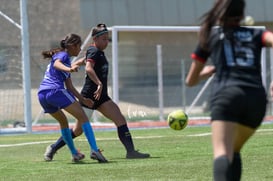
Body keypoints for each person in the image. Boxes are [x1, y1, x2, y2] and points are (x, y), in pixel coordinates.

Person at [185, 0, 273, 180]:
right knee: (234, 149)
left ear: (219, 13)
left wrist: (206, 72)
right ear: (242, 15)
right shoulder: (257, 34)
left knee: (222, 152)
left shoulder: (211, 36)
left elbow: (190, 81)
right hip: (256, 99)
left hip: (227, 96)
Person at [44, 24, 150, 161]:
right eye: (104, 39)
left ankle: (131, 152)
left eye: (108, 39)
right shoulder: (94, 51)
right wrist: (98, 83)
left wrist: (77, 63)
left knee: (120, 119)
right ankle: (53, 147)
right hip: (90, 96)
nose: (106, 42)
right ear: (95, 39)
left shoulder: (96, 51)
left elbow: (86, 60)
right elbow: (89, 68)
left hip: (102, 97)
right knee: (78, 130)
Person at [38, 33, 108, 163]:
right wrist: (69, 69)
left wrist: (83, 100)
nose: (80, 49)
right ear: (72, 46)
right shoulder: (63, 55)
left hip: (42, 95)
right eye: (79, 46)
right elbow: (56, 64)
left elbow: (70, 88)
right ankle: (94, 150)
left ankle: (75, 153)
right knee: (83, 118)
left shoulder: (65, 59)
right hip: (55, 91)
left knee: (63, 122)